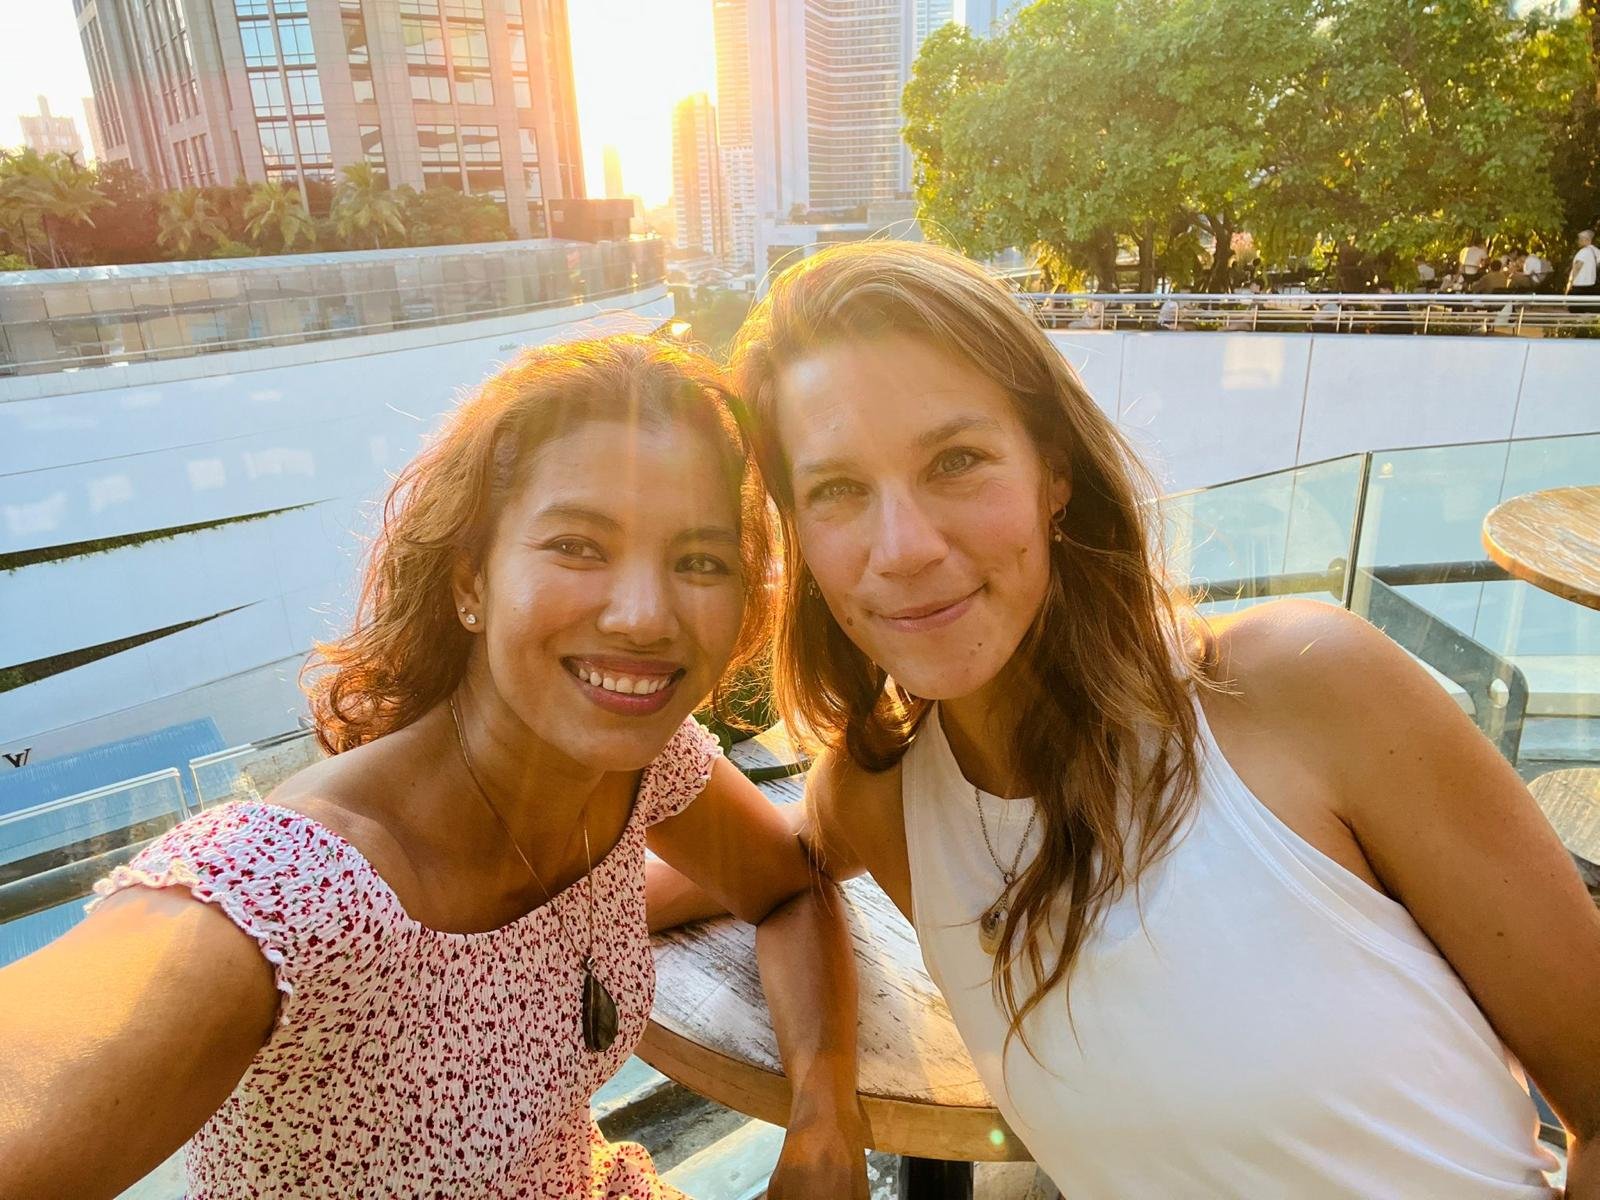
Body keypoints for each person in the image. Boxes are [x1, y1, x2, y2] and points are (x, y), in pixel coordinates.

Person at [723, 241, 1600, 1197]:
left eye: (957, 460)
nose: (904, 548)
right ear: (797, 532)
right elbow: (762, 858)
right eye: (838, 490)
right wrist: (822, 1099)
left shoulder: (1307, 689)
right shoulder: (879, 798)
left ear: (1053, 472)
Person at [0, 337, 868, 1200]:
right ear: (469, 582)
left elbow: (787, 888)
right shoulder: (291, 893)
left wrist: (825, 1110)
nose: (644, 616)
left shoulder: (632, 770)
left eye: (699, 561)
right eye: (578, 545)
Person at [1567, 230, 1599, 301]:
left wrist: (1570, 284)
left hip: (1579, 285)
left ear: (1587, 240)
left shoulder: (1583, 252)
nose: (1579, 241)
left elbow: (1576, 268)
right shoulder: (1596, 251)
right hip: (1592, 285)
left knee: (1576, 309)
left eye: (1580, 239)